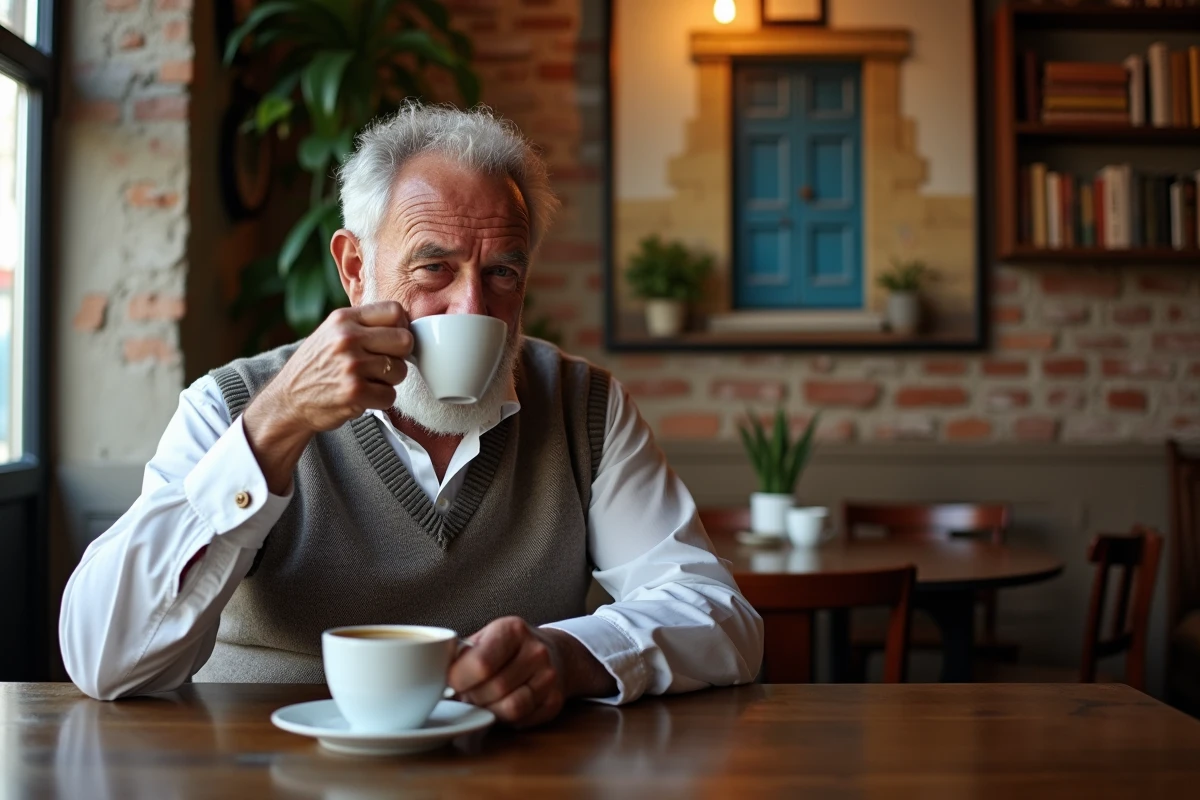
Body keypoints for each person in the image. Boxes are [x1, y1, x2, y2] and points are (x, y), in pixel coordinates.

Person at [59, 103, 763, 727]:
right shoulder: (235, 404)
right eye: (434, 269)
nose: (473, 309)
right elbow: (103, 659)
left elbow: (719, 616)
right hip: (261, 773)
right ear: (354, 267)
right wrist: (272, 431)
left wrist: (571, 654)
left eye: (502, 274)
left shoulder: (584, 407)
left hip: (509, 779)